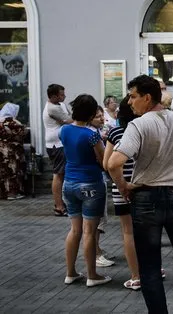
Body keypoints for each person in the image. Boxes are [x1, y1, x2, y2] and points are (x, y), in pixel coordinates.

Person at [107, 75, 173, 314]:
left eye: (133, 96)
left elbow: (113, 163)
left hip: (145, 199)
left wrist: (124, 187)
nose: (130, 102)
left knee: (150, 267)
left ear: (147, 97)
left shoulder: (139, 125)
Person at [59, 94, 111, 287]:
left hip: (69, 182)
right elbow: (103, 159)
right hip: (90, 183)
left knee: (74, 230)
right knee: (89, 232)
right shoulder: (91, 135)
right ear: (90, 114)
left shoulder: (64, 130)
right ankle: (92, 275)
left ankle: (70, 272)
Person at [103, 96, 141, 290]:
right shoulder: (144, 130)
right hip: (143, 186)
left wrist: (120, 183)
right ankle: (155, 268)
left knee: (128, 232)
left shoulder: (115, 132)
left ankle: (135, 276)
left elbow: (106, 163)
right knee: (149, 231)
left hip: (121, 187)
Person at [87, 106, 114, 268]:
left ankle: (96, 249)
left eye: (102, 115)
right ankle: (95, 254)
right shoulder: (91, 135)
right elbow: (103, 159)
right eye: (97, 116)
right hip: (96, 179)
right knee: (96, 220)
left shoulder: (77, 131)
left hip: (87, 179)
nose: (102, 118)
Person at [43, 83, 72, 216]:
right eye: (61, 94)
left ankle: (63, 203)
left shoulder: (60, 105)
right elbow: (69, 121)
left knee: (62, 174)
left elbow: (70, 117)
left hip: (62, 142)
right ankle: (59, 206)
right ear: (53, 96)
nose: (64, 96)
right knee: (58, 174)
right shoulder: (52, 108)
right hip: (56, 144)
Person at [0, 103, 26, 200]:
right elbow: (22, 135)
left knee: (3, 173)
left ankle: (2, 193)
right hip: (12, 153)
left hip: (1, 151)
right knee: (12, 172)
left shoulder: (0, 121)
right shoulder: (15, 123)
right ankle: (12, 194)